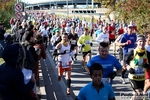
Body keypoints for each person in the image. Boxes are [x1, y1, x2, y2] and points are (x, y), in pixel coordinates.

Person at [125, 35, 150, 100]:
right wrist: (129, 68)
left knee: (137, 95)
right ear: (137, 42)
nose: (142, 43)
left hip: (142, 78)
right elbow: (125, 62)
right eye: (140, 41)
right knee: (139, 93)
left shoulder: (147, 53)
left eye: (143, 41)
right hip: (133, 78)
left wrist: (148, 65)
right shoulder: (132, 52)